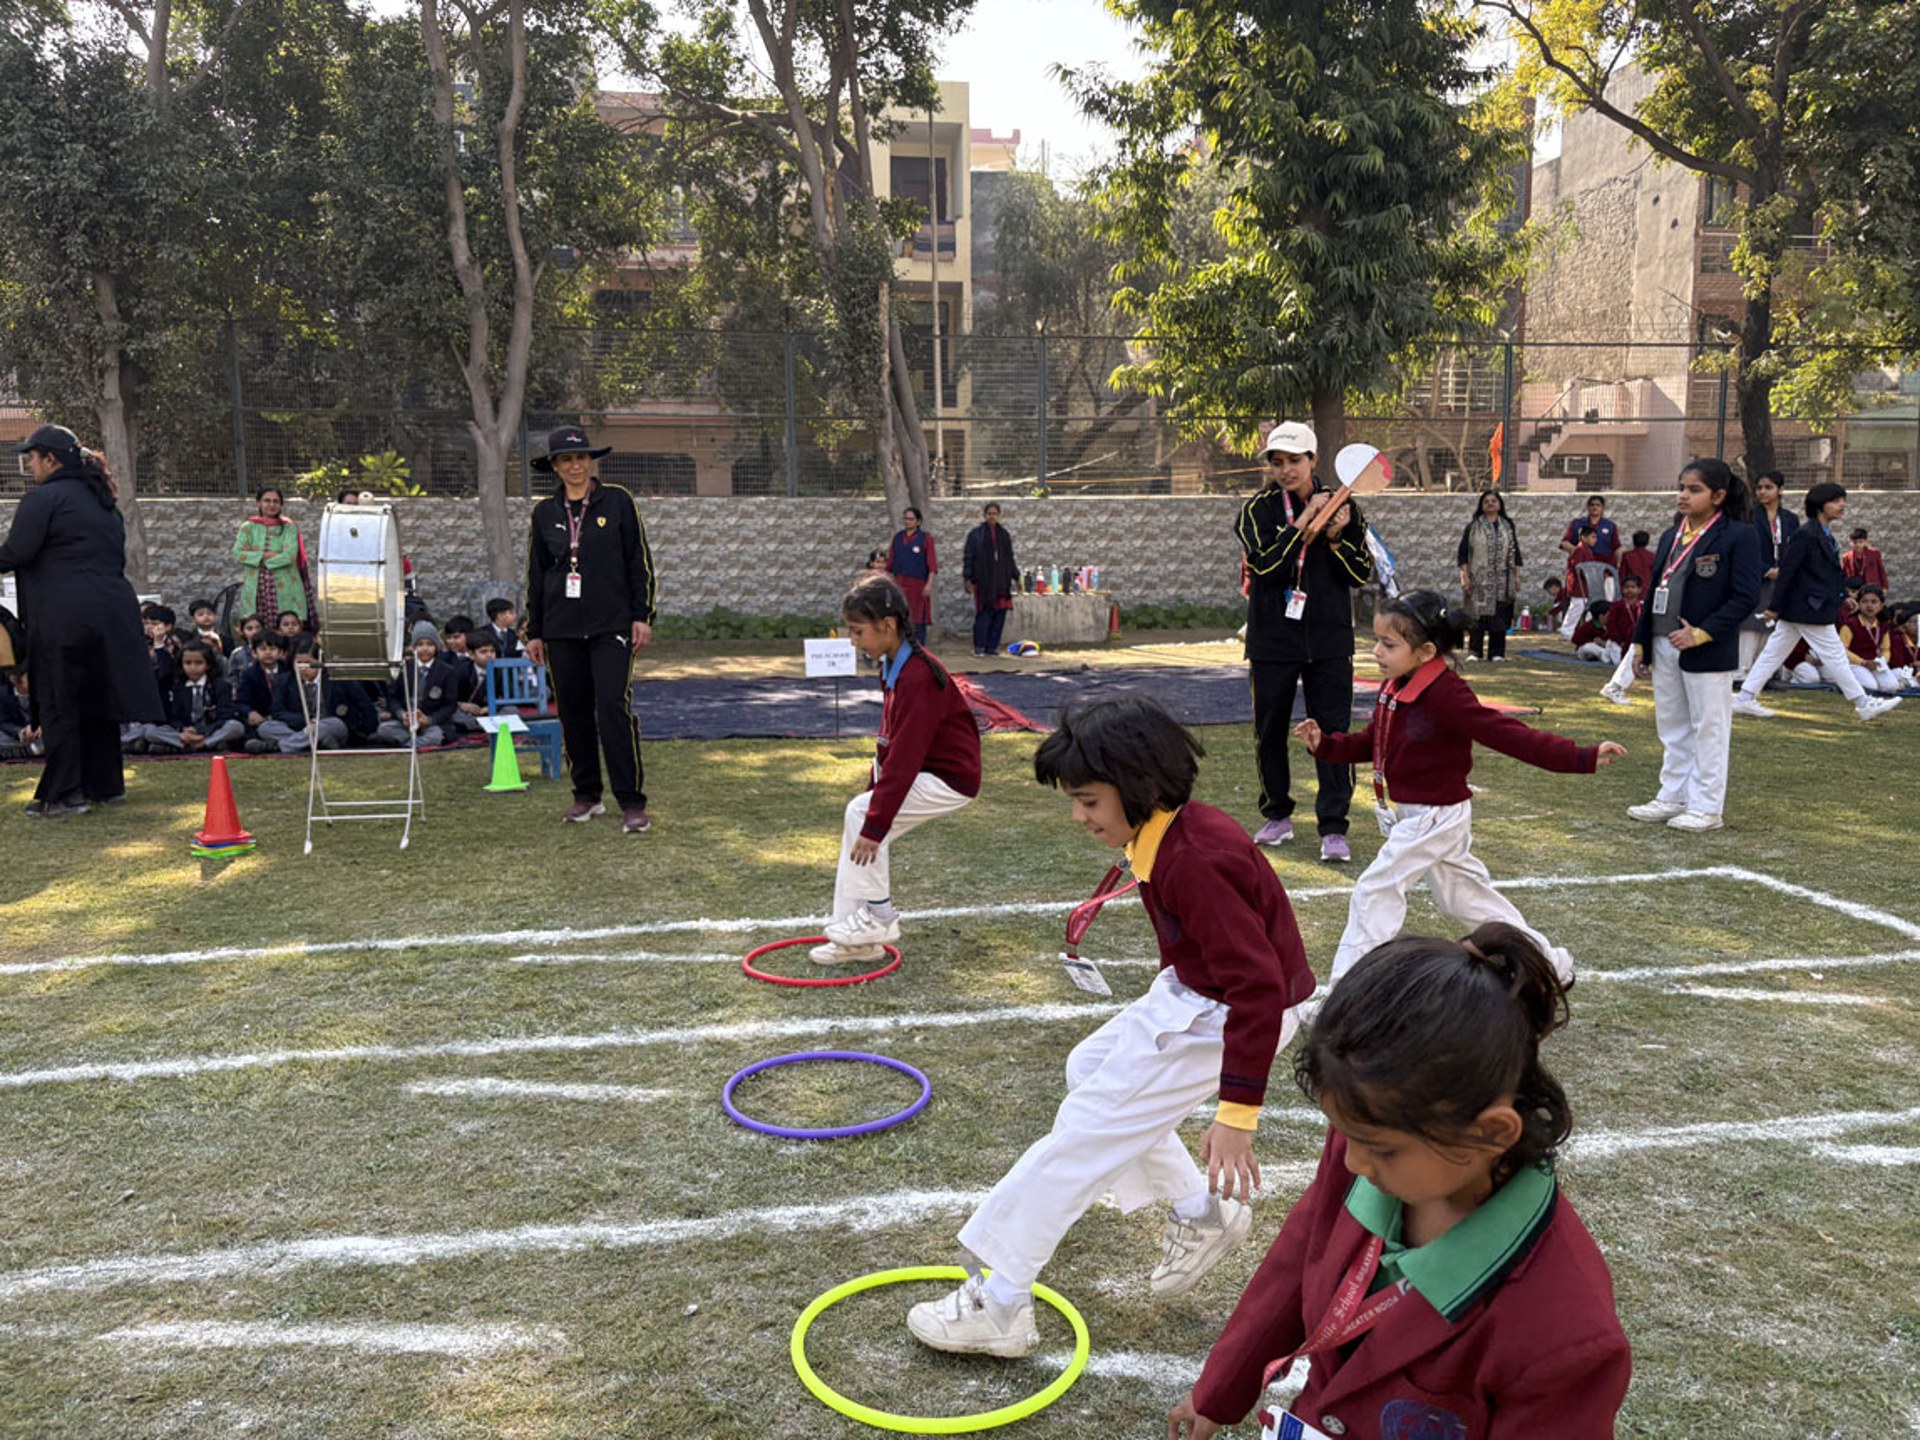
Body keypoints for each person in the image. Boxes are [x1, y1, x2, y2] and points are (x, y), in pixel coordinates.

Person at [906, 697, 1315, 1358]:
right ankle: (1201, 1212)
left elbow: (1259, 988)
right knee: (1090, 1071)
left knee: (1083, 1136)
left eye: (1089, 801)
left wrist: (1237, 1115)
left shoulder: (1197, 858)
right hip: (1197, 996)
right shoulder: (1169, 834)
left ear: (1142, 787)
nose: (1079, 817)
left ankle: (1001, 1303)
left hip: (1229, 1015)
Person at [1165, 925, 1630, 1440]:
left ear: (1491, 1133)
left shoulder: (1564, 1332)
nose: (1352, 1161)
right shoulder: (1364, 1144)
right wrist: (1222, 1387)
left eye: (1381, 1148)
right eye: (1342, 1133)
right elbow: (1299, 1258)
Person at [1296, 590, 1623, 985]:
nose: (1377, 652)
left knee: (1375, 889)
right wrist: (1326, 745)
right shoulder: (1396, 685)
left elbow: (1507, 734)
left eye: (1389, 644)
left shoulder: (1446, 694)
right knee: (1467, 898)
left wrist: (1580, 757)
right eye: (1376, 641)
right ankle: (1547, 961)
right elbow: (1375, 742)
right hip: (1424, 814)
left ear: (1426, 651)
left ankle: (1347, 991)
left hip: (1435, 816)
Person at [811, 575, 980, 964]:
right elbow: (888, 741)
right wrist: (874, 798)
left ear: (887, 626)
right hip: (925, 771)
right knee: (860, 817)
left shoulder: (918, 675)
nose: (853, 640)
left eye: (858, 631)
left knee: (863, 818)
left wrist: (876, 822)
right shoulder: (893, 665)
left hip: (950, 779)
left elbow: (906, 755)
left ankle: (880, 916)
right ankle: (854, 939)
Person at [0, 426, 163, 815]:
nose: (30, 466)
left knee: (60, 700)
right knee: (96, 700)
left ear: (51, 459)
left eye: (32, 458)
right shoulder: (103, 501)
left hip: (63, 614)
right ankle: (104, 785)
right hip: (111, 611)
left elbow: (16, 552)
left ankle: (63, 794)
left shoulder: (44, 498)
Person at [1237, 421, 1375, 863]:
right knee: (1269, 731)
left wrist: (1334, 537)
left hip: (1330, 638)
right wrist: (1301, 523)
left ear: (1313, 460)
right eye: (1277, 462)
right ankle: (1277, 814)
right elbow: (1265, 569)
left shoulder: (1344, 506)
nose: (1286, 470)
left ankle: (1333, 827)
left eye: (1294, 460)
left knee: (1333, 733)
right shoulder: (1256, 510)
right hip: (1272, 639)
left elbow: (1360, 573)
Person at [524, 425, 658, 833]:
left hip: (611, 624)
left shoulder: (617, 501)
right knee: (573, 710)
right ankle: (586, 795)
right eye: (566, 460)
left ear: (590, 461)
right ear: (555, 466)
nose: (575, 466)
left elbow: (638, 562)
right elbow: (537, 574)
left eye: (581, 458)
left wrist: (642, 615)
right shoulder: (545, 513)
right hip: (561, 628)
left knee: (612, 706)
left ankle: (631, 801)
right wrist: (535, 630)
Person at [1628, 458, 1763, 832]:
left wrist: (1702, 632)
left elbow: (1746, 596)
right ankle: (1673, 795)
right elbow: (1654, 591)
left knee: (1709, 727)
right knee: (1672, 725)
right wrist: (1641, 643)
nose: (1683, 496)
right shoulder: (1671, 536)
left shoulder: (1739, 535)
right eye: (1681, 488)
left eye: (1694, 490)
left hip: (1706, 646)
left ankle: (1707, 806)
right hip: (1663, 639)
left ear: (1718, 496)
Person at [1731, 482, 1902, 723]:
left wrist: (1843, 596)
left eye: (1842, 500)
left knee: (1773, 653)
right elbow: (1788, 572)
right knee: (1834, 655)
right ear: (1820, 506)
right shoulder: (1807, 535)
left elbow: (1827, 574)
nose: (1842, 505)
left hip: (1807, 609)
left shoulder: (1824, 534)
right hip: (1808, 609)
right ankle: (1863, 702)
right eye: (1835, 501)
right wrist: (1774, 607)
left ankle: (1745, 697)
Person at [1742, 470, 1800, 679]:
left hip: (1782, 578)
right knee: (1750, 623)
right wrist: (1766, 570)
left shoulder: (1790, 519)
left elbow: (1796, 550)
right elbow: (1744, 550)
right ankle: (1742, 672)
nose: (1763, 492)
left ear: (1780, 490)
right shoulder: (1748, 517)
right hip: (1755, 576)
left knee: (1774, 626)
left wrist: (1786, 572)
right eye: (1759, 488)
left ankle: (1767, 674)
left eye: (1768, 487)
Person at [1455, 489, 1522, 663]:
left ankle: (1497, 652)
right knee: (1476, 616)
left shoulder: (1508, 527)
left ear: (1500, 505)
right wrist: (1464, 576)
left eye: (1494, 501)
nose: (1490, 504)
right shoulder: (1473, 527)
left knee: (1500, 616)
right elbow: (1463, 554)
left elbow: (1515, 553)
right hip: (1479, 580)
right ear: (1481, 506)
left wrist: (1516, 576)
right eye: (1486, 501)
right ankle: (1475, 651)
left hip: (1503, 580)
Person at [233, 485, 309, 631]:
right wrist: (265, 555)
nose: (271, 505)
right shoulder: (248, 527)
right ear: (258, 503)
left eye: (276, 501)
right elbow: (238, 553)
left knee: (287, 627)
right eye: (267, 501)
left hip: (286, 584)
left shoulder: (289, 527)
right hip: (257, 586)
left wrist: (258, 559)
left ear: (281, 505)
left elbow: (289, 556)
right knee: (256, 627)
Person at [374, 622, 459, 749]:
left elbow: (450, 705)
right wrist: (402, 714)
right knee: (384, 729)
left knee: (435, 736)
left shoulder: (447, 671)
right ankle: (416, 742)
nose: (425, 649)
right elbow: (392, 698)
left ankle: (408, 746)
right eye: (420, 644)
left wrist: (429, 720)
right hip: (407, 721)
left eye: (429, 644)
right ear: (413, 647)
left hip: (432, 722)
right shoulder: (404, 669)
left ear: (436, 646)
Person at [149, 641, 245, 753]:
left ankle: (202, 744)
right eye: (188, 663)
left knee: (235, 727)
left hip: (211, 730)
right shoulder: (178, 687)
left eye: (198, 663)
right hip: (186, 732)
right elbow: (175, 717)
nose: (193, 668)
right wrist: (184, 730)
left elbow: (225, 716)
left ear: (208, 665)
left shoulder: (221, 686)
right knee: (150, 731)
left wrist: (205, 732)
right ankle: (189, 743)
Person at [962, 502, 1018, 657]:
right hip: (983, 582)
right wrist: (967, 578)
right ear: (984, 515)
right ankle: (979, 646)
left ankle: (992, 647)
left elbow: (1009, 558)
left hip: (1002, 581)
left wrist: (1016, 577)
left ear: (999, 515)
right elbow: (968, 557)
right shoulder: (976, 535)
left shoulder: (1004, 535)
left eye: (995, 514)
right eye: (989, 514)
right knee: (984, 613)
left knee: (1000, 614)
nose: (992, 517)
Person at [886, 507, 939, 646]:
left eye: (911, 519)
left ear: (918, 521)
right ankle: (901, 647)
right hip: (900, 583)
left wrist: (929, 584)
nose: (908, 521)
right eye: (906, 519)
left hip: (918, 584)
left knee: (918, 618)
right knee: (901, 615)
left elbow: (932, 564)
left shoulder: (925, 538)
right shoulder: (898, 538)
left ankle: (919, 647)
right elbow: (890, 562)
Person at [1839, 585, 1903, 693]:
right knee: (1870, 686)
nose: (1869, 605)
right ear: (1858, 604)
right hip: (1854, 663)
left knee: (1891, 687)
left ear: (1881, 605)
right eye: (1864, 602)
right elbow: (1842, 649)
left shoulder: (1882, 625)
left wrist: (1882, 661)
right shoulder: (1850, 624)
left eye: (1874, 602)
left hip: (1875, 663)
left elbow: (1885, 649)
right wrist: (1862, 662)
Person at [1557, 494, 1619, 565]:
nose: (1595, 507)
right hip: (1581, 563)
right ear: (1588, 507)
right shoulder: (1577, 524)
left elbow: (1617, 547)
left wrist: (1619, 563)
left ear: (1603, 508)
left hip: (1604, 564)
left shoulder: (1610, 526)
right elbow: (1564, 543)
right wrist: (1576, 552)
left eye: (1598, 505)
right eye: (1592, 505)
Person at [1617, 528, 1656, 594]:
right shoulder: (1652, 556)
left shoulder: (1627, 555)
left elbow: (1622, 575)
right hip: (1647, 589)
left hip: (1631, 588)